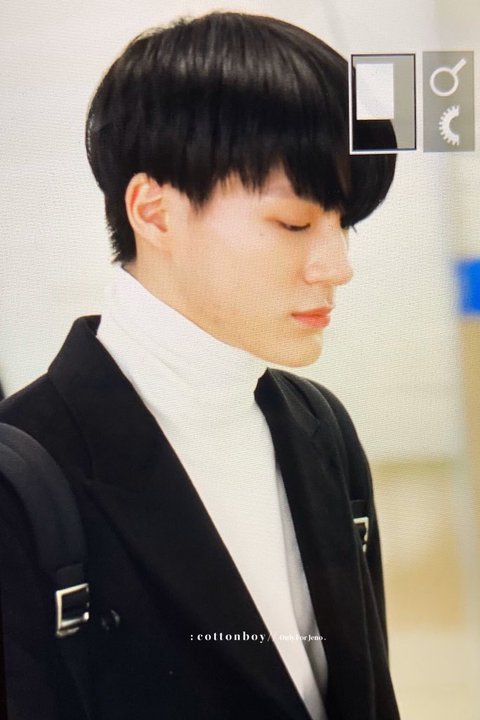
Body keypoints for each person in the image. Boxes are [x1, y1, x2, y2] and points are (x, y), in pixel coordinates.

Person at [0, 11, 399, 720]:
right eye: (295, 223)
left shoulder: (321, 426)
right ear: (155, 213)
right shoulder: (24, 480)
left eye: (345, 224)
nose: (337, 266)